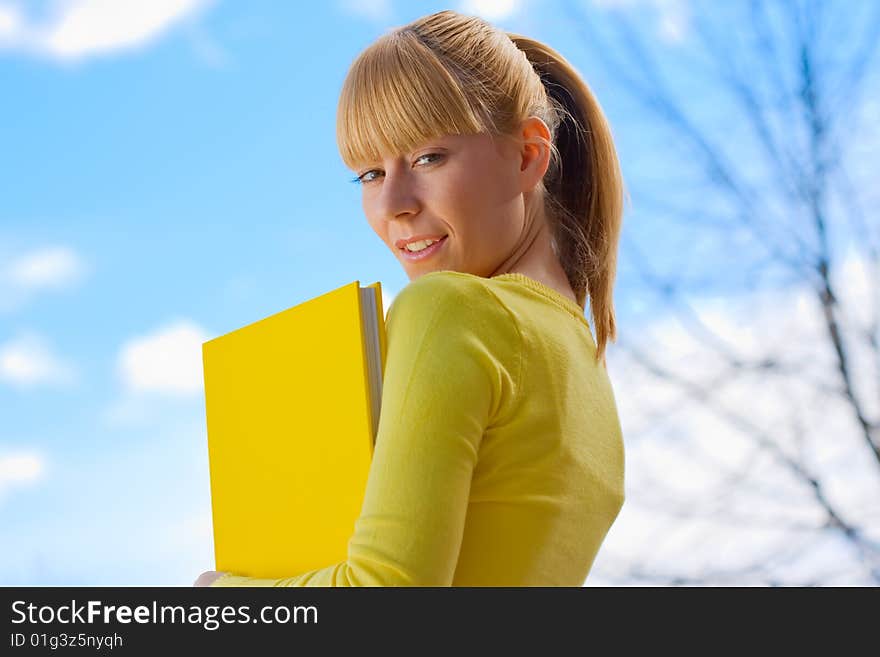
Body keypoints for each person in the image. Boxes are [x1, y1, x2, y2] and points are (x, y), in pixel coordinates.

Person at [194, 8, 627, 588]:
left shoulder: (452, 311)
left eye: (428, 157)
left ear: (528, 154)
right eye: (369, 174)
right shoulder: (588, 368)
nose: (394, 203)